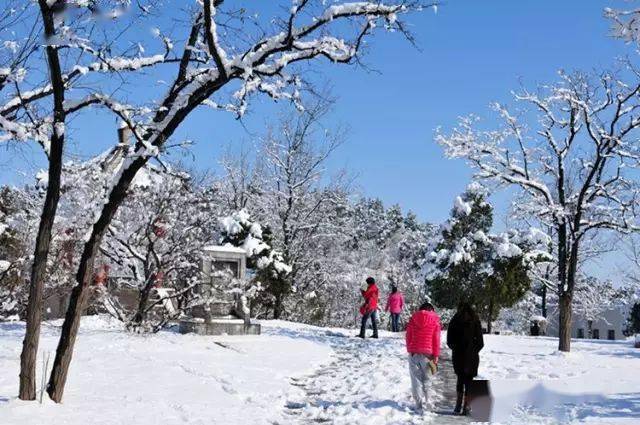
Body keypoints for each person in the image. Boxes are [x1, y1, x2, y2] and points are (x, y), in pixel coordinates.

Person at [447, 302, 484, 416]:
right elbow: (481, 342)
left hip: (458, 355)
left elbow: (449, 340)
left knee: (460, 378)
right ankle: (466, 406)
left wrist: (455, 349)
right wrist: (473, 350)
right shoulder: (475, 320)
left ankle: (458, 405)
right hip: (471, 356)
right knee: (469, 381)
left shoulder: (454, 320)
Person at [405, 302, 441, 413]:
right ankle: (429, 402)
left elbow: (408, 336)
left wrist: (409, 349)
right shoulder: (435, 321)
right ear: (431, 310)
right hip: (428, 355)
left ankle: (418, 405)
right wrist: (436, 355)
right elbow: (436, 340)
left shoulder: (413, 319)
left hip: (414, 353)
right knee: (428, 380)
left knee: (416, 380)